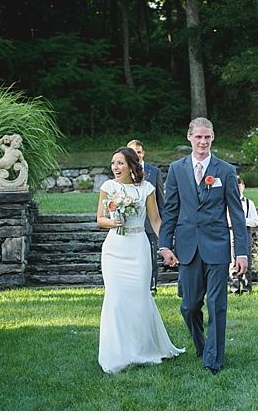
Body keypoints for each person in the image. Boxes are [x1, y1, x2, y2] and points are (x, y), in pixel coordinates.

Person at [159, 117, 249, 375]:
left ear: (213, 138)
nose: (203, 141)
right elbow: (171, 210)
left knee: (217, 304)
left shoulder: (225, 170)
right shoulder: (177, 169)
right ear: (189, 137)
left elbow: (236, 213)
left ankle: (213, 359)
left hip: (218, 247)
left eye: (207, 137)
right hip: (187, 246)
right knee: (188, 306)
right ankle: (202, 345)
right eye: (198, 137)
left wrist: (240, 252)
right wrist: (165, 245)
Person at [97, 147, 183, 373]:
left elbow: (155, 221)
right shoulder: (108, 187)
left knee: (139, 297)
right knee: (115, 299)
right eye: (113, 163)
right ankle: (117, 354)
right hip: (114, 248)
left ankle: (143, 350)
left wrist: (165, 246)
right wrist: (113, 222)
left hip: (138, 247)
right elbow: (100, 219)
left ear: (131, 165)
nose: (115, 167)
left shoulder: (147, 189)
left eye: (120, 163)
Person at [127, 140, 165, 292]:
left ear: (143, 153)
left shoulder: (154, 172)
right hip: (130, 223)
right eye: (132, 152)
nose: (136, 155)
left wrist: (163, 224)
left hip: (150, 223)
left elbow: (161, 201)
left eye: (139, 152)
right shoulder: (123, 171)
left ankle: (151, 286)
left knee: (150, 257)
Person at [228, 176, 258, 294]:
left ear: (243, 187)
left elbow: (255, 221)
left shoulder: (249, 203)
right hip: (231, 231)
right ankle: (234, 287)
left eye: (239, 185)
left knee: (247, 259)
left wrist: (241, 221)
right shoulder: (227, 203)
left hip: (245, 231)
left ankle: (247, 287)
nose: (237, 188)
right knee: (232, 260)